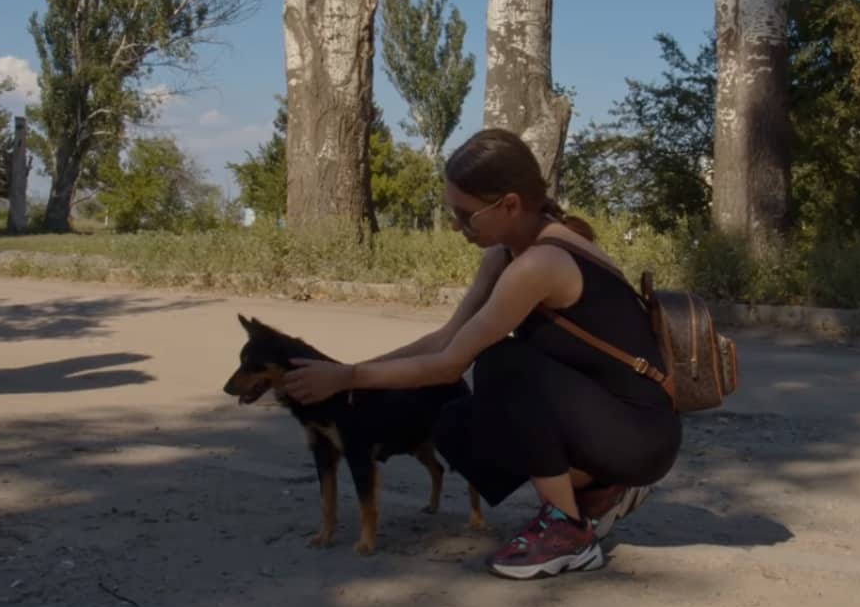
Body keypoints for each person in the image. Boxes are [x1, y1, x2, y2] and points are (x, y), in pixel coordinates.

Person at [283, 128, 681, 580]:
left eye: (465, 215)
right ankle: (600, 490)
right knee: (454, 425)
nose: (457, 226)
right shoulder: (507, 254)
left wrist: (350, 378)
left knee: (500, 363)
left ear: (510, 204)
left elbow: (453, 362)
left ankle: (568, 531)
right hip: (603, 422)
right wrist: (347, 372)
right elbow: (446, 338)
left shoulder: (540, 264)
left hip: (641, 435)